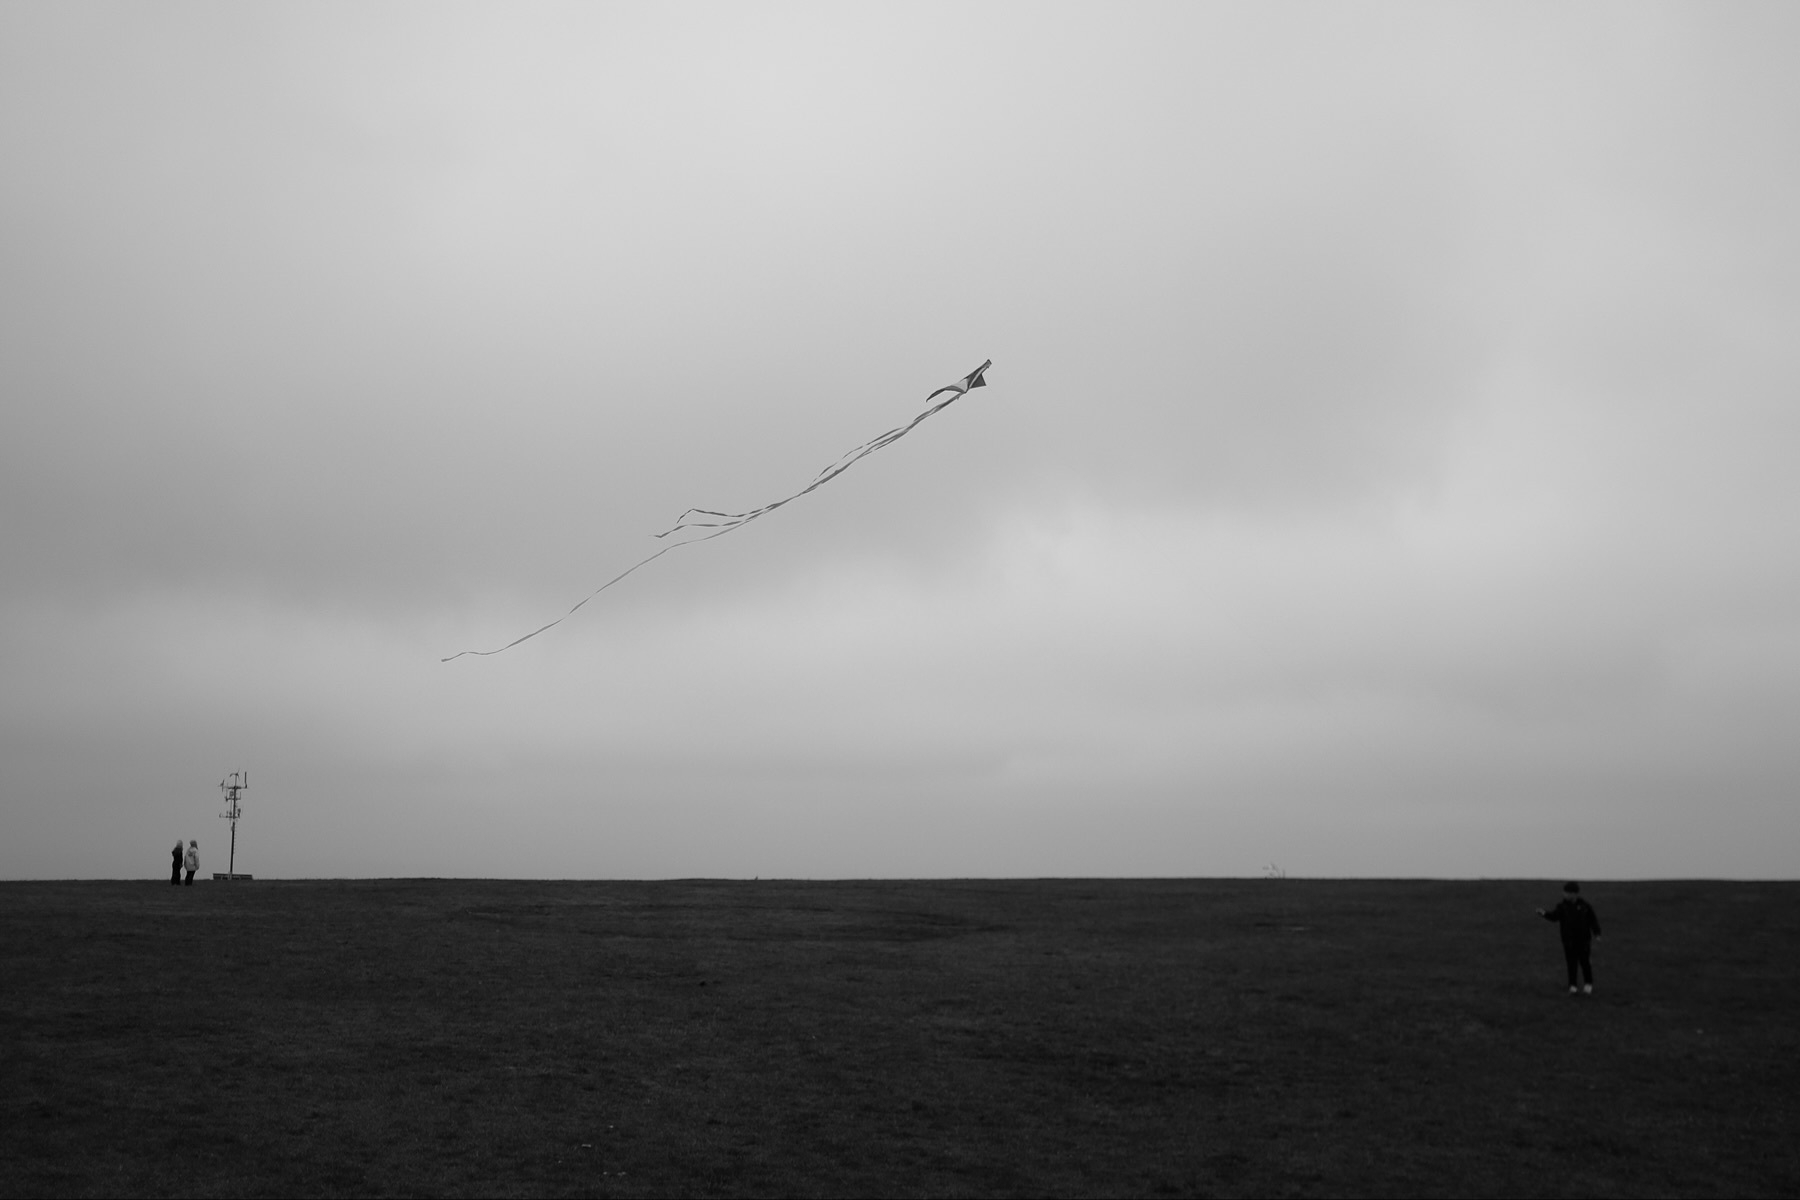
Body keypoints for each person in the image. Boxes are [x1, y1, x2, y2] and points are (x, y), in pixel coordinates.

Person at [1537, 881, 1601, 995]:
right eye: (1564, 892)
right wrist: (1543, 913)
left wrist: (1597, 933)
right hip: (1569, 941)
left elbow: (1593, 920)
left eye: (1567, 892)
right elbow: (1554, 917)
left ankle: (1588, 983)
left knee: (1585, 962)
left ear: (1574, 894)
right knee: (1571, 963)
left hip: (1584, 940)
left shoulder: (1585, 906)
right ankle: (1573, 985)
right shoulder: (1562, 907)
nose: (1564, 894)